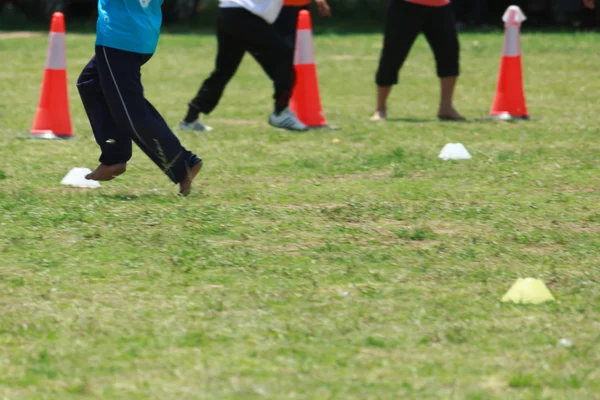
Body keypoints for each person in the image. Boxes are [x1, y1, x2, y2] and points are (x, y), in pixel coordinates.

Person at [77, 0, 203, 195]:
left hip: (121, 35)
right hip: (136, 31)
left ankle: (182, 163)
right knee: (92, 84)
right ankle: (113, 157)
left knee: (129, 110)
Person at [180, 0, 307, 132]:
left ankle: (190, 118)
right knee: (284, 57)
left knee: (224, 70)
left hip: (228, 11)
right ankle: (281, 112)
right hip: (247, 14)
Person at [372, 0, 465, 121]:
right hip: (405, 5)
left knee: (449, 54)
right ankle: (380, 109)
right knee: (393, 55)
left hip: (440, 6)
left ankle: (446, 107)